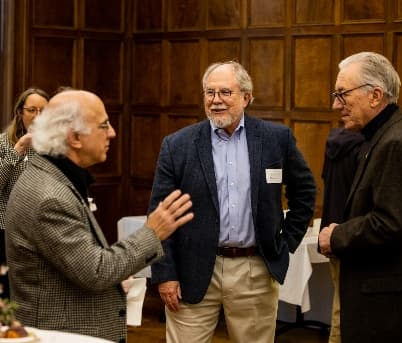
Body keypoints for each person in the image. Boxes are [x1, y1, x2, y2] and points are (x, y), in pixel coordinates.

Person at [5, 90, 194, 343]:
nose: (113, 133)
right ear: (75, 138)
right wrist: (152, 232)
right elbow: (96, 272)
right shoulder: (49, 196)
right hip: (64, 334)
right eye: (104, 125)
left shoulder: (50, 175)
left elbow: (81, 264)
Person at [147, 61, 317, 343]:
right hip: (192, 271)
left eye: (225, 92)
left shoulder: (276, 139)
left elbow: (305, 191)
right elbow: (159, 215)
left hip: (254, 269)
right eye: (209, 92)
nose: (216, 101)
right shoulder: (177, 145)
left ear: (246, 98)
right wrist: (165, 273)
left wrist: (284, 243)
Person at [318, 51, 402, 343]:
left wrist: (337, 235)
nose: (335, 105)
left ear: (375, 96)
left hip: (395, 311)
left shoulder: (397, 143)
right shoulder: (386, 137)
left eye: (342, 94)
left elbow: (391, 223)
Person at [0, 87, 50, 298]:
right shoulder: (3, 143)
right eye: (32, 110)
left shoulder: (53, 146)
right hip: (6, 231)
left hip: (41, 230)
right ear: (20, 112)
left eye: (43, 110)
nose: (38, 116)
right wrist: (18, 150)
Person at [320, 127, 364, 343]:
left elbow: (326, 182)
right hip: (352, 234)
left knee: (339, 303)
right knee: (347, 308)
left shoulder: (332, 142)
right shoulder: (364, 147)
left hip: (331, 231)